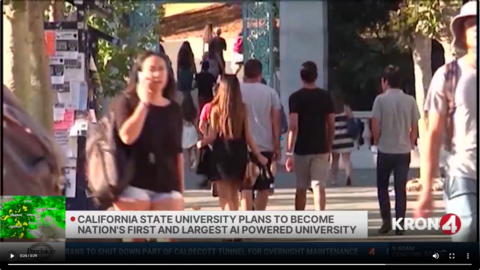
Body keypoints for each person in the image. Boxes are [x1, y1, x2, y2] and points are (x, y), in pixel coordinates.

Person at [416, 1, 477, 242]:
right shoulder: (448, 75)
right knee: (466, 231)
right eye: (473, 24)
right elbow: (433, 133)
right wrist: (426, 189)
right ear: (462, 32)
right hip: (462, 172)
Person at [111, 51, 184, 242]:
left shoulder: (174, 109)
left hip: (165, 185)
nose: (157, 74)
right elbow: (127, 137)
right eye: (151, 69)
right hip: (132, 184)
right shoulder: (126, 102)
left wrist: (181, 193)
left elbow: (177, 154)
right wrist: (144, 103)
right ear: (139, 74)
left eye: (162, 69)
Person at [197, 75, 267, 212]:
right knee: (235, 195)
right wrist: (259, 155)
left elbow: (212, 136)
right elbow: (248, 136)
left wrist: (201, 143)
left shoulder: (215, 109)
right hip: (239, 153)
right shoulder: (243, 108)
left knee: (225, 197)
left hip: (221, 154)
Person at [371, 65, 420, 235]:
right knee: (401, 188)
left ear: (385, 81)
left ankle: (386, 221)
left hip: (385, 148)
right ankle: (400, 224)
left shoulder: (380, 100)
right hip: (403, 150)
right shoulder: (410, 100)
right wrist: (412, 141)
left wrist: (376, 140)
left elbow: (375, 123)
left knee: (382, 187)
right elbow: (415, 125)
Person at [285, 61, 335, 211]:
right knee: (318, 186)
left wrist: (288, 151)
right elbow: (331, 123)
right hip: (321, 146)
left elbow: (293, 126)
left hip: (301, 148)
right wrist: (329, 146)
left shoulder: (295, 98)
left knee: (301, 187)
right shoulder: (325, 97)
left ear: (301, 77)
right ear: (316, 76)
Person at [239, 59, 281, 211]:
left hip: (243, 145)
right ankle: (258, 218)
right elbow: (276, 122)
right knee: (264, 185)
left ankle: (246, 218)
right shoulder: (270, 93)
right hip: (265, 144)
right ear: (260, 73)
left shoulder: (238, 91)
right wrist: (277, 145)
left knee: (246, 186)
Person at [330, 91, 355, 186]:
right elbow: (352, 120)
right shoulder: (346, 108)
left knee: (334, 160)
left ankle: (334, 180)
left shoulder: (331, 109)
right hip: (346, 136)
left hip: (335, 137)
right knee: (347, 159)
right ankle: (348, 175)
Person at [181, 94, 199, 170]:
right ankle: (194, 161)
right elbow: (196, 123)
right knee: (192, 148)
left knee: (186, 150)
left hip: (185, 131)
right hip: (192, 130)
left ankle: (187, 164)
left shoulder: (181, 111)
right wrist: (198, 132)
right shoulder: (194, 111)